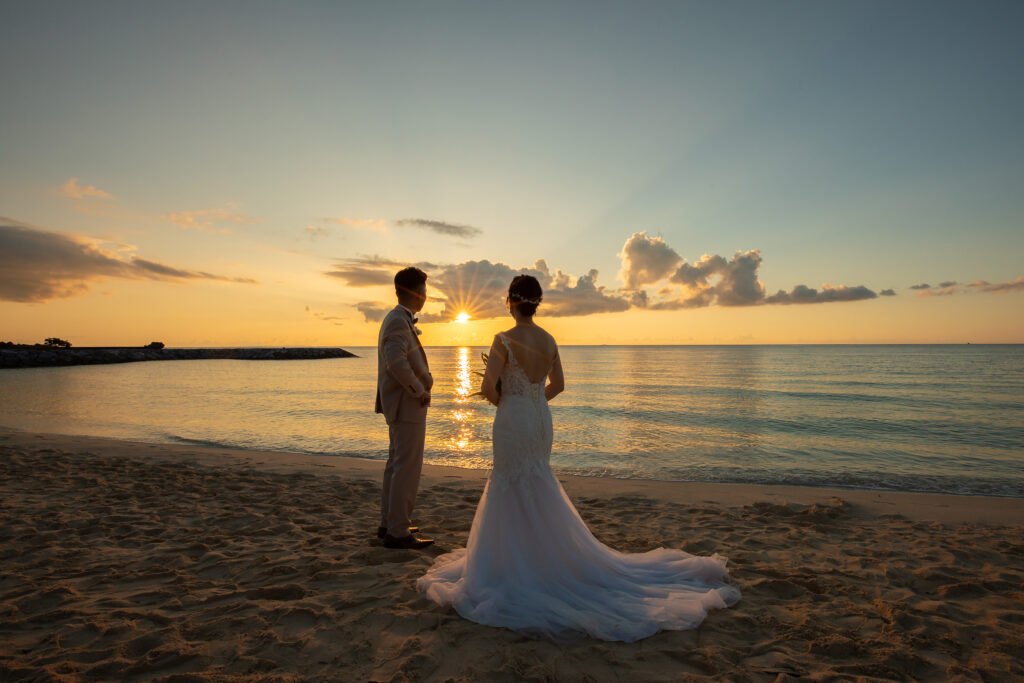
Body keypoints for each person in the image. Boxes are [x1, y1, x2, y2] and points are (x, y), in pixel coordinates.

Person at [417, 274, 740, 641]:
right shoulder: (549, 339)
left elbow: (489, 387)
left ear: (509, 301)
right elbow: (559, 385)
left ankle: (516, 563)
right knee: (536, 481)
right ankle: (541, 556)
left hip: (514, 420)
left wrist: (508, 402)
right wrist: (535, 401)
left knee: (509, 484)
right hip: (540, 420)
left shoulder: (503, 339)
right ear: (536, 303)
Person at [375, 266, 435, 550]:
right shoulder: (398, 321)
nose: (426, 295)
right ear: (415, 293)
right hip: (406, 406)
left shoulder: (398, 319)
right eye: (424, 290)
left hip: (400, 406)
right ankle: (398, 532)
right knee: (407, 469)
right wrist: (418, 390)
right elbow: (395, 361)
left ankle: (390, 523)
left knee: (396, 465)